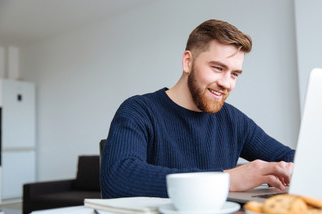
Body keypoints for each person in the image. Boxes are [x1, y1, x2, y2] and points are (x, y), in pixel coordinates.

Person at [101, 19, 294, 199]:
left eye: (234, 74)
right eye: (218, 68)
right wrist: (226, 180)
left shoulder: (233, 120)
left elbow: (288, 157)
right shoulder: (138, 111)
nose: (226, 83)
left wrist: (294, 169)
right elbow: (118, 178)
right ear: (188, 62)